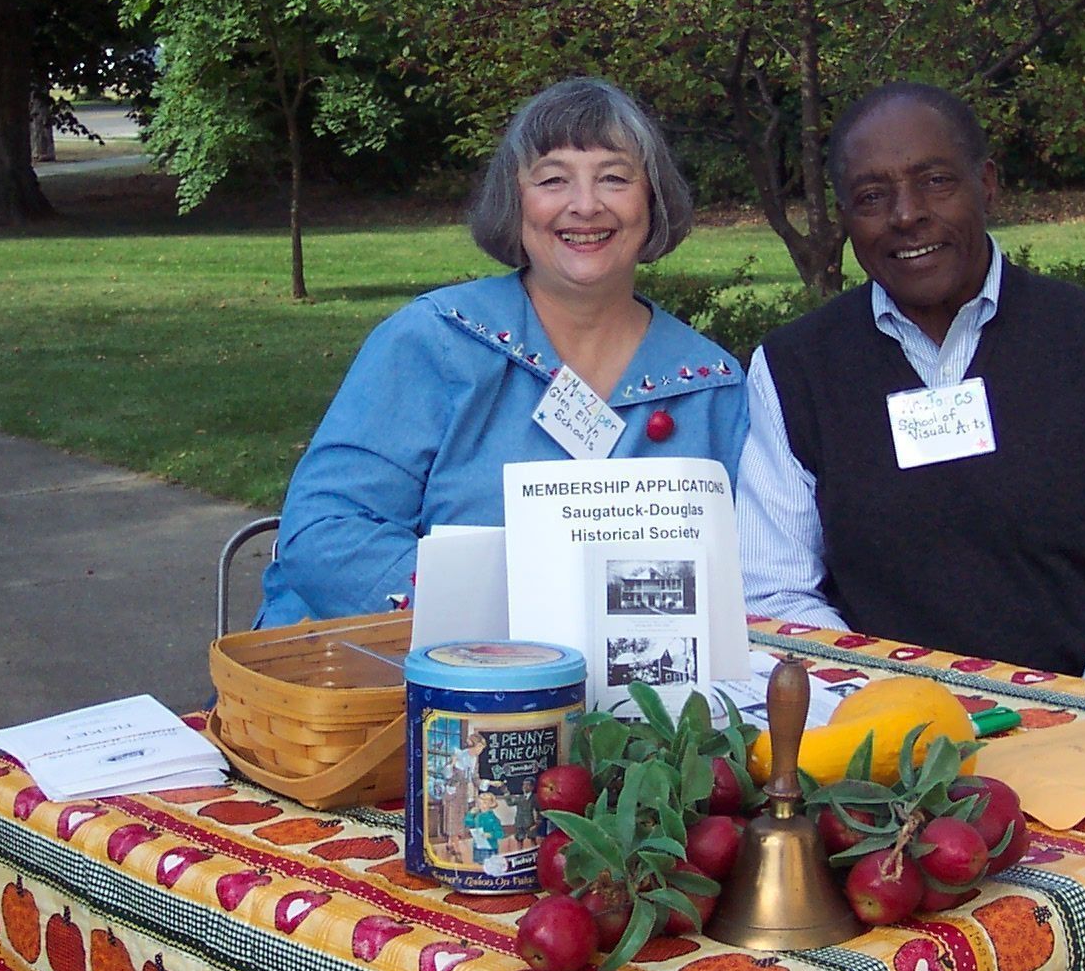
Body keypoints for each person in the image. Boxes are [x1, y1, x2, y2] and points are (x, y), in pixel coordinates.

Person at [738, 82, 1085, 699]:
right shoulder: (795, 370)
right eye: (872, 196)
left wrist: (1066, 715)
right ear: (844, 217)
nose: (905, 214)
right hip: (887, 737)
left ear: (987, 185)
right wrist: (893, 714)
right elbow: (774, 594)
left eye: (935, 182)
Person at [257, 78, 749, 627]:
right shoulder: (434, 342)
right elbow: (325, 531)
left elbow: (752, 576)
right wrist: (492, 628)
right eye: (553, 179)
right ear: (515, 201)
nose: (585, 205)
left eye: (614, 178)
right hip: (402, 668)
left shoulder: (712, 386)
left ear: (652, 199)